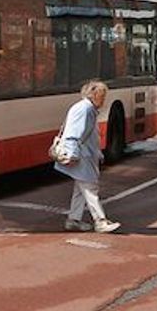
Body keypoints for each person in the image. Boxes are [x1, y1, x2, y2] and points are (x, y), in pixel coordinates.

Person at [56, 79, 119, 233]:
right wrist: (72, 154)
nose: (104, 100)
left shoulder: (86, 108)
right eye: (102, 96)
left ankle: (73, 220)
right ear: (94, 95)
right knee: (90, 188)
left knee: (81, 189)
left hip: (84, 154)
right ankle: (100, 221)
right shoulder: (85, 110)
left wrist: (97, 152)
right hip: (81, 155)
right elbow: (74, 133)